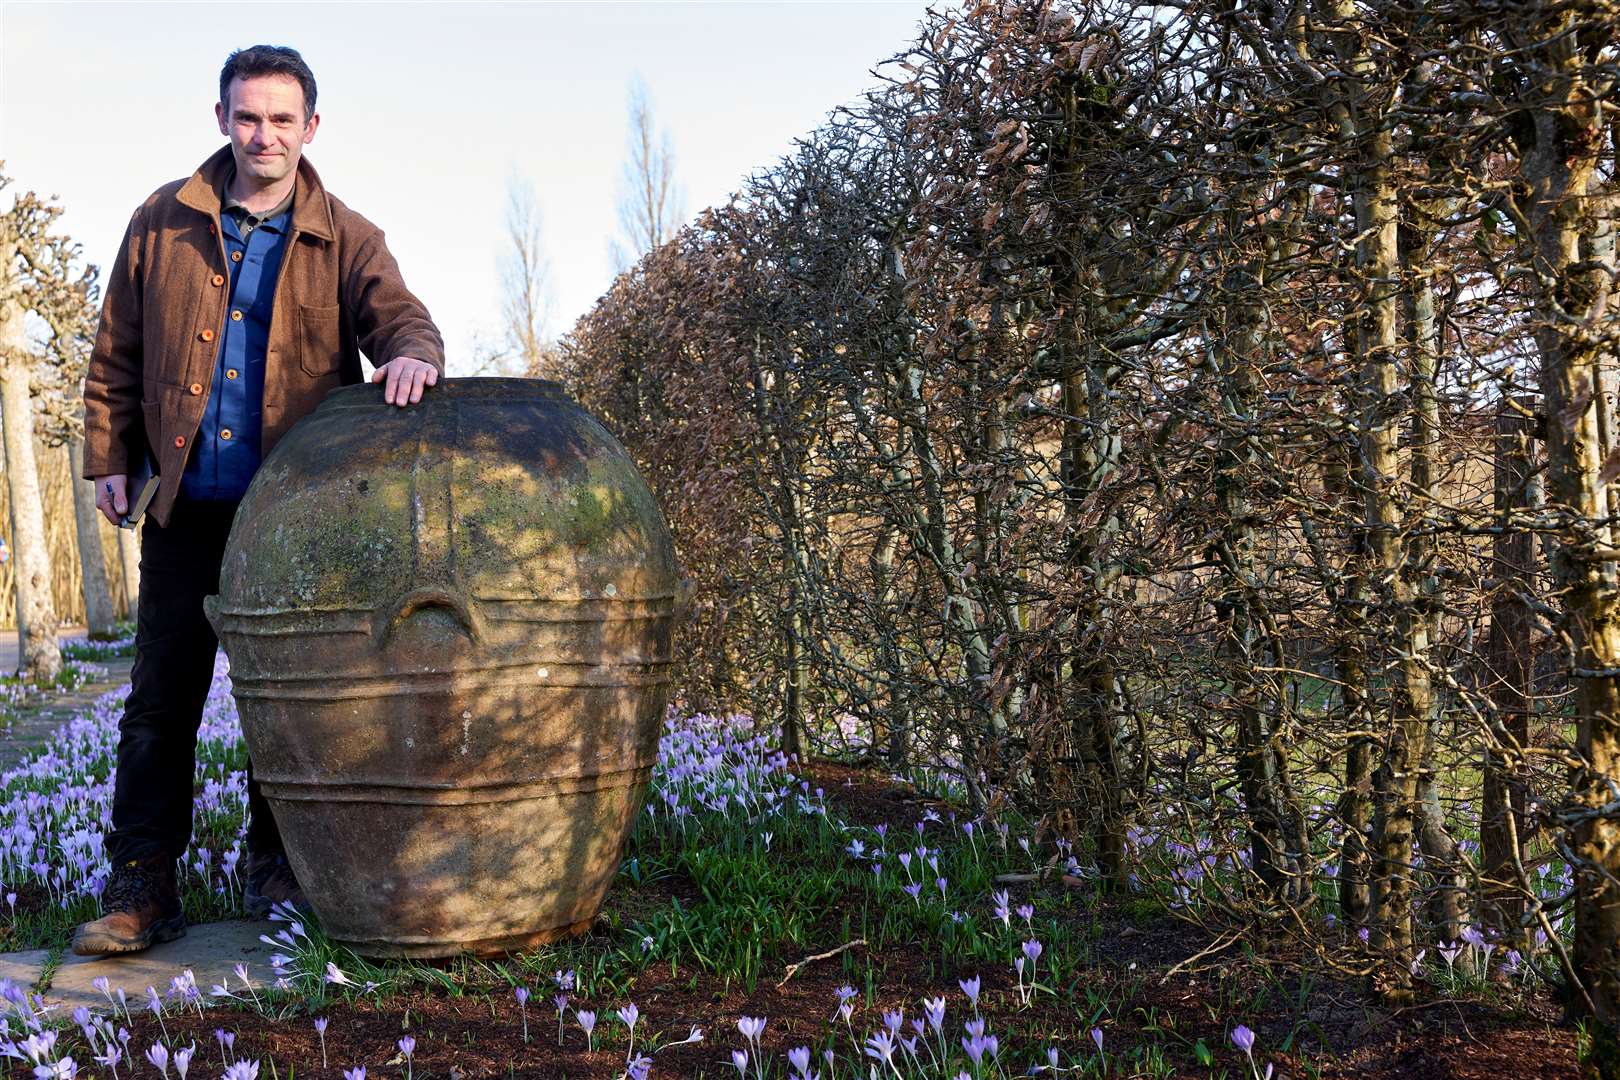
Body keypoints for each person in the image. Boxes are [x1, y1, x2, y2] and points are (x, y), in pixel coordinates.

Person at [74, 44, 446, 955]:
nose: (264, 135)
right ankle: (141, 883)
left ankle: (278, 870)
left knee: (286, 703)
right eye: (248, 117)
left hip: (294, 528)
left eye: (282, 119)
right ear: (222, 120)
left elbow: (402, 316)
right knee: (162, 700)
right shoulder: (162, 221)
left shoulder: (345, 235)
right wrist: (107, 458)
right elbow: (116, 351)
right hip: (185, 512)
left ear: (310, 128)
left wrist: (411, 354)